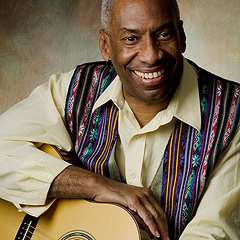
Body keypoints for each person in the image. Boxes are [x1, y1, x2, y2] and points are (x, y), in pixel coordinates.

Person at [0, 0, 239, 239]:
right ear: (105, 45)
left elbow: (212, 233)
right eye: (131, 39)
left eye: (164, 34)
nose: (150, 55)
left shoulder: (232, 114)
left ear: (182, 36)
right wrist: (97, 186)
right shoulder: (75, 90)